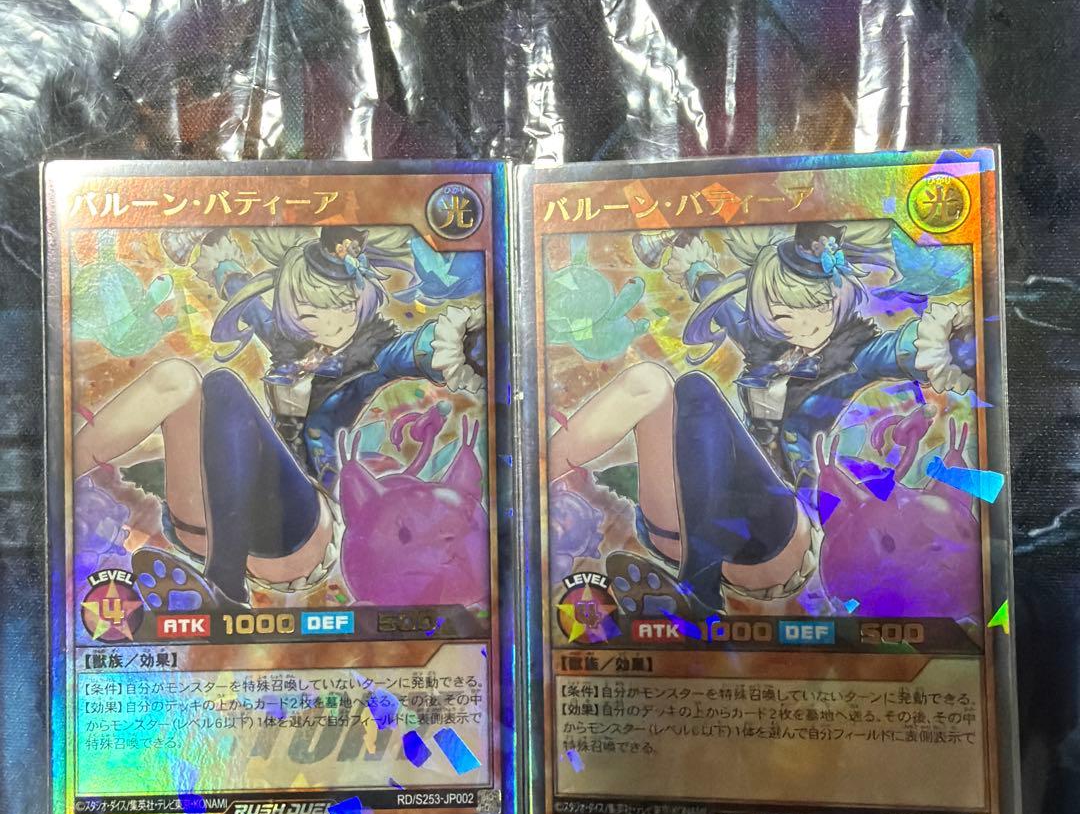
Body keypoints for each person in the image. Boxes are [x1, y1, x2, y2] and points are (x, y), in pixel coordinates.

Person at [548, 222, 975, 616]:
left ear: (837, 300)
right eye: (779, 308)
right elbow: (726, 307)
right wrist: (695, 266)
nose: (795, 320)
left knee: (695, 389)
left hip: (778, 539)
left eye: (813, 305)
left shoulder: (855, 358)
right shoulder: (765, 346)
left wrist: (955, 346)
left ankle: (698, 588)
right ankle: (536, 478)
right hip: (685, 527)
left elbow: (898, 351)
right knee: (649, 382)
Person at [73, 226, 483, 606]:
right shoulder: (294, 349)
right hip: (213, 520)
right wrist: (216, 257)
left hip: (299, 533)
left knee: (221, 386)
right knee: (175, 378)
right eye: (300, 304)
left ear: (358, 303)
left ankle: (225, 588)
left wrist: (466, 346)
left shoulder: (373, 359)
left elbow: (413, 350)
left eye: (332, 305)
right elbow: (252, 304)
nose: (308, 316)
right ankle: (61, 476)